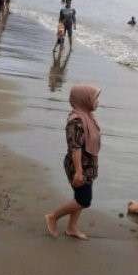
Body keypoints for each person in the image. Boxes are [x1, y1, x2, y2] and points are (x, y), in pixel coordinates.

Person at [45, 85, 101, 240]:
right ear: (84, 100)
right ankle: (53, 217)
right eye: (95, 98)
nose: (97, 101)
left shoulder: (87, 116)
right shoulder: (76, 121)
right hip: (78, 166)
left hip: (87, 165)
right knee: (84, 200)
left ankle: (71, 228)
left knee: (79, 198)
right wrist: (78, 171)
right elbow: (75, 147)